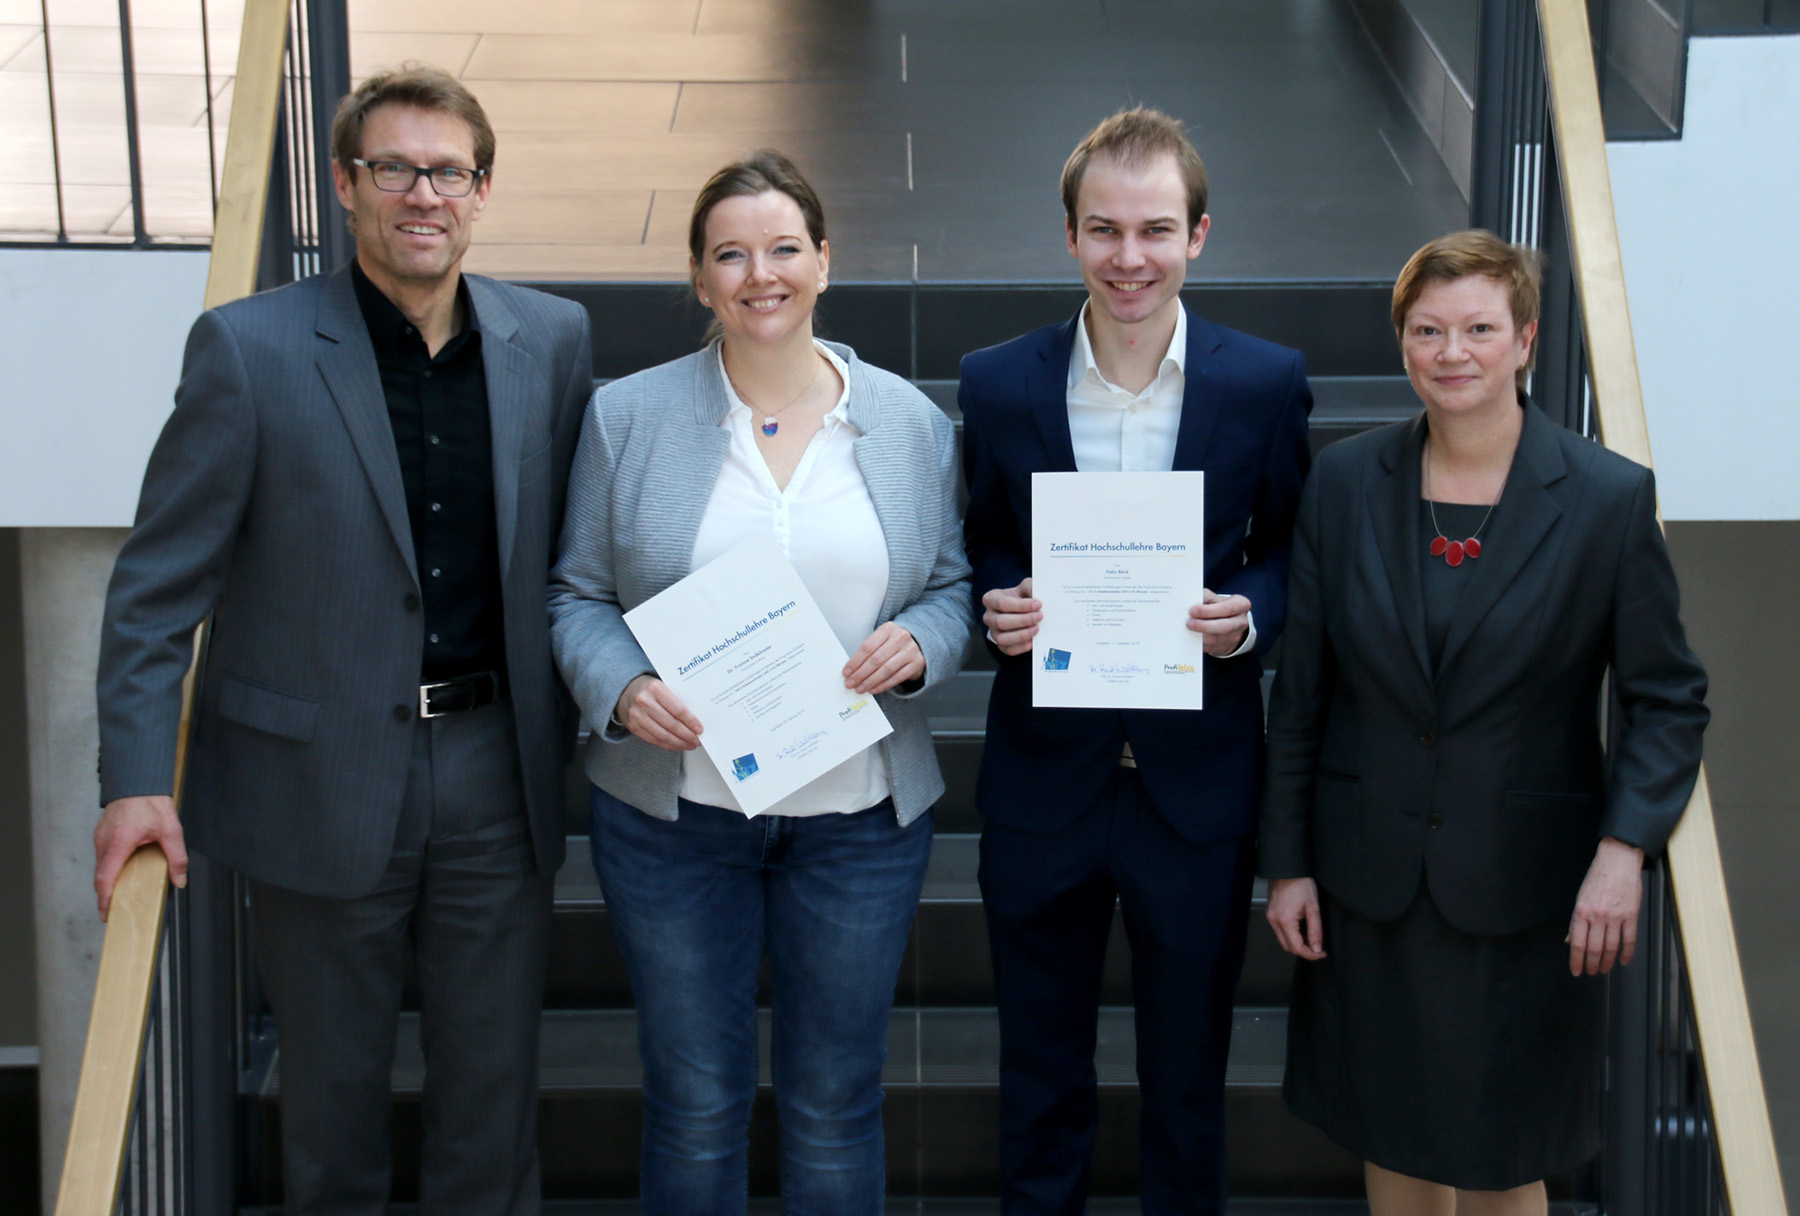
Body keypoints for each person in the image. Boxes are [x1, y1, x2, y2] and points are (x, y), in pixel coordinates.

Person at [92, 66, 593, 1216]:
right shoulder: (246, 351)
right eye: (395, 169)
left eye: (449, 171)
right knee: (329, 1127)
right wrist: (133, 782)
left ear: (482, 189)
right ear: (344, 183)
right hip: (311, 783)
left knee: (491, 1114)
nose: (425, 194)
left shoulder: (552, 340)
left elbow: (585, 553)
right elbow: (155, 591)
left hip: (494, 778)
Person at [547, 150, 970, 1215]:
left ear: (825, 262)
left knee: (835, 1104)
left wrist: (921, 643)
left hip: (859, 825)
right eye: (731, 254)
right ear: (699, 280)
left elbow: (955, 588)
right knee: (694, 1102)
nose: (760, 273)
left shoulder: (909, 424)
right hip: (675, 819)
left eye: (784, 248)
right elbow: (576, 597)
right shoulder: (627, 420)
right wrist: (623, 689)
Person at [1259, 229, 1709, 1215]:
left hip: (1526, 887)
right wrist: (1287, 859)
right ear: (1403, 342)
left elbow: (1670, 696)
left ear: (1525, 340)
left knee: (1503, 1154)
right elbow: (1304, 694)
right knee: (1393, 1136)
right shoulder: (1344, 483)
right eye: (1428, 329)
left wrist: (1623, 849)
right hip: (1370, 879)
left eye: (1476, 328)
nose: (1451, 351)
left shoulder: (1604, 499)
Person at [960, 108, 1313, 1214]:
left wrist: (1246, 615)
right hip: (1043, 782)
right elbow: (981, 537)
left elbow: (1298, 551)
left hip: (1195, 789)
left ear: (1199, 235)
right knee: (1039, 1081)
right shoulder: (998, 381)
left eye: (1155, 230)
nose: (1130, 258)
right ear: (1068, 235)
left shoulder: (1261, 382)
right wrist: (998, 600)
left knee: (1186, 1090)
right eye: (1104, 230)